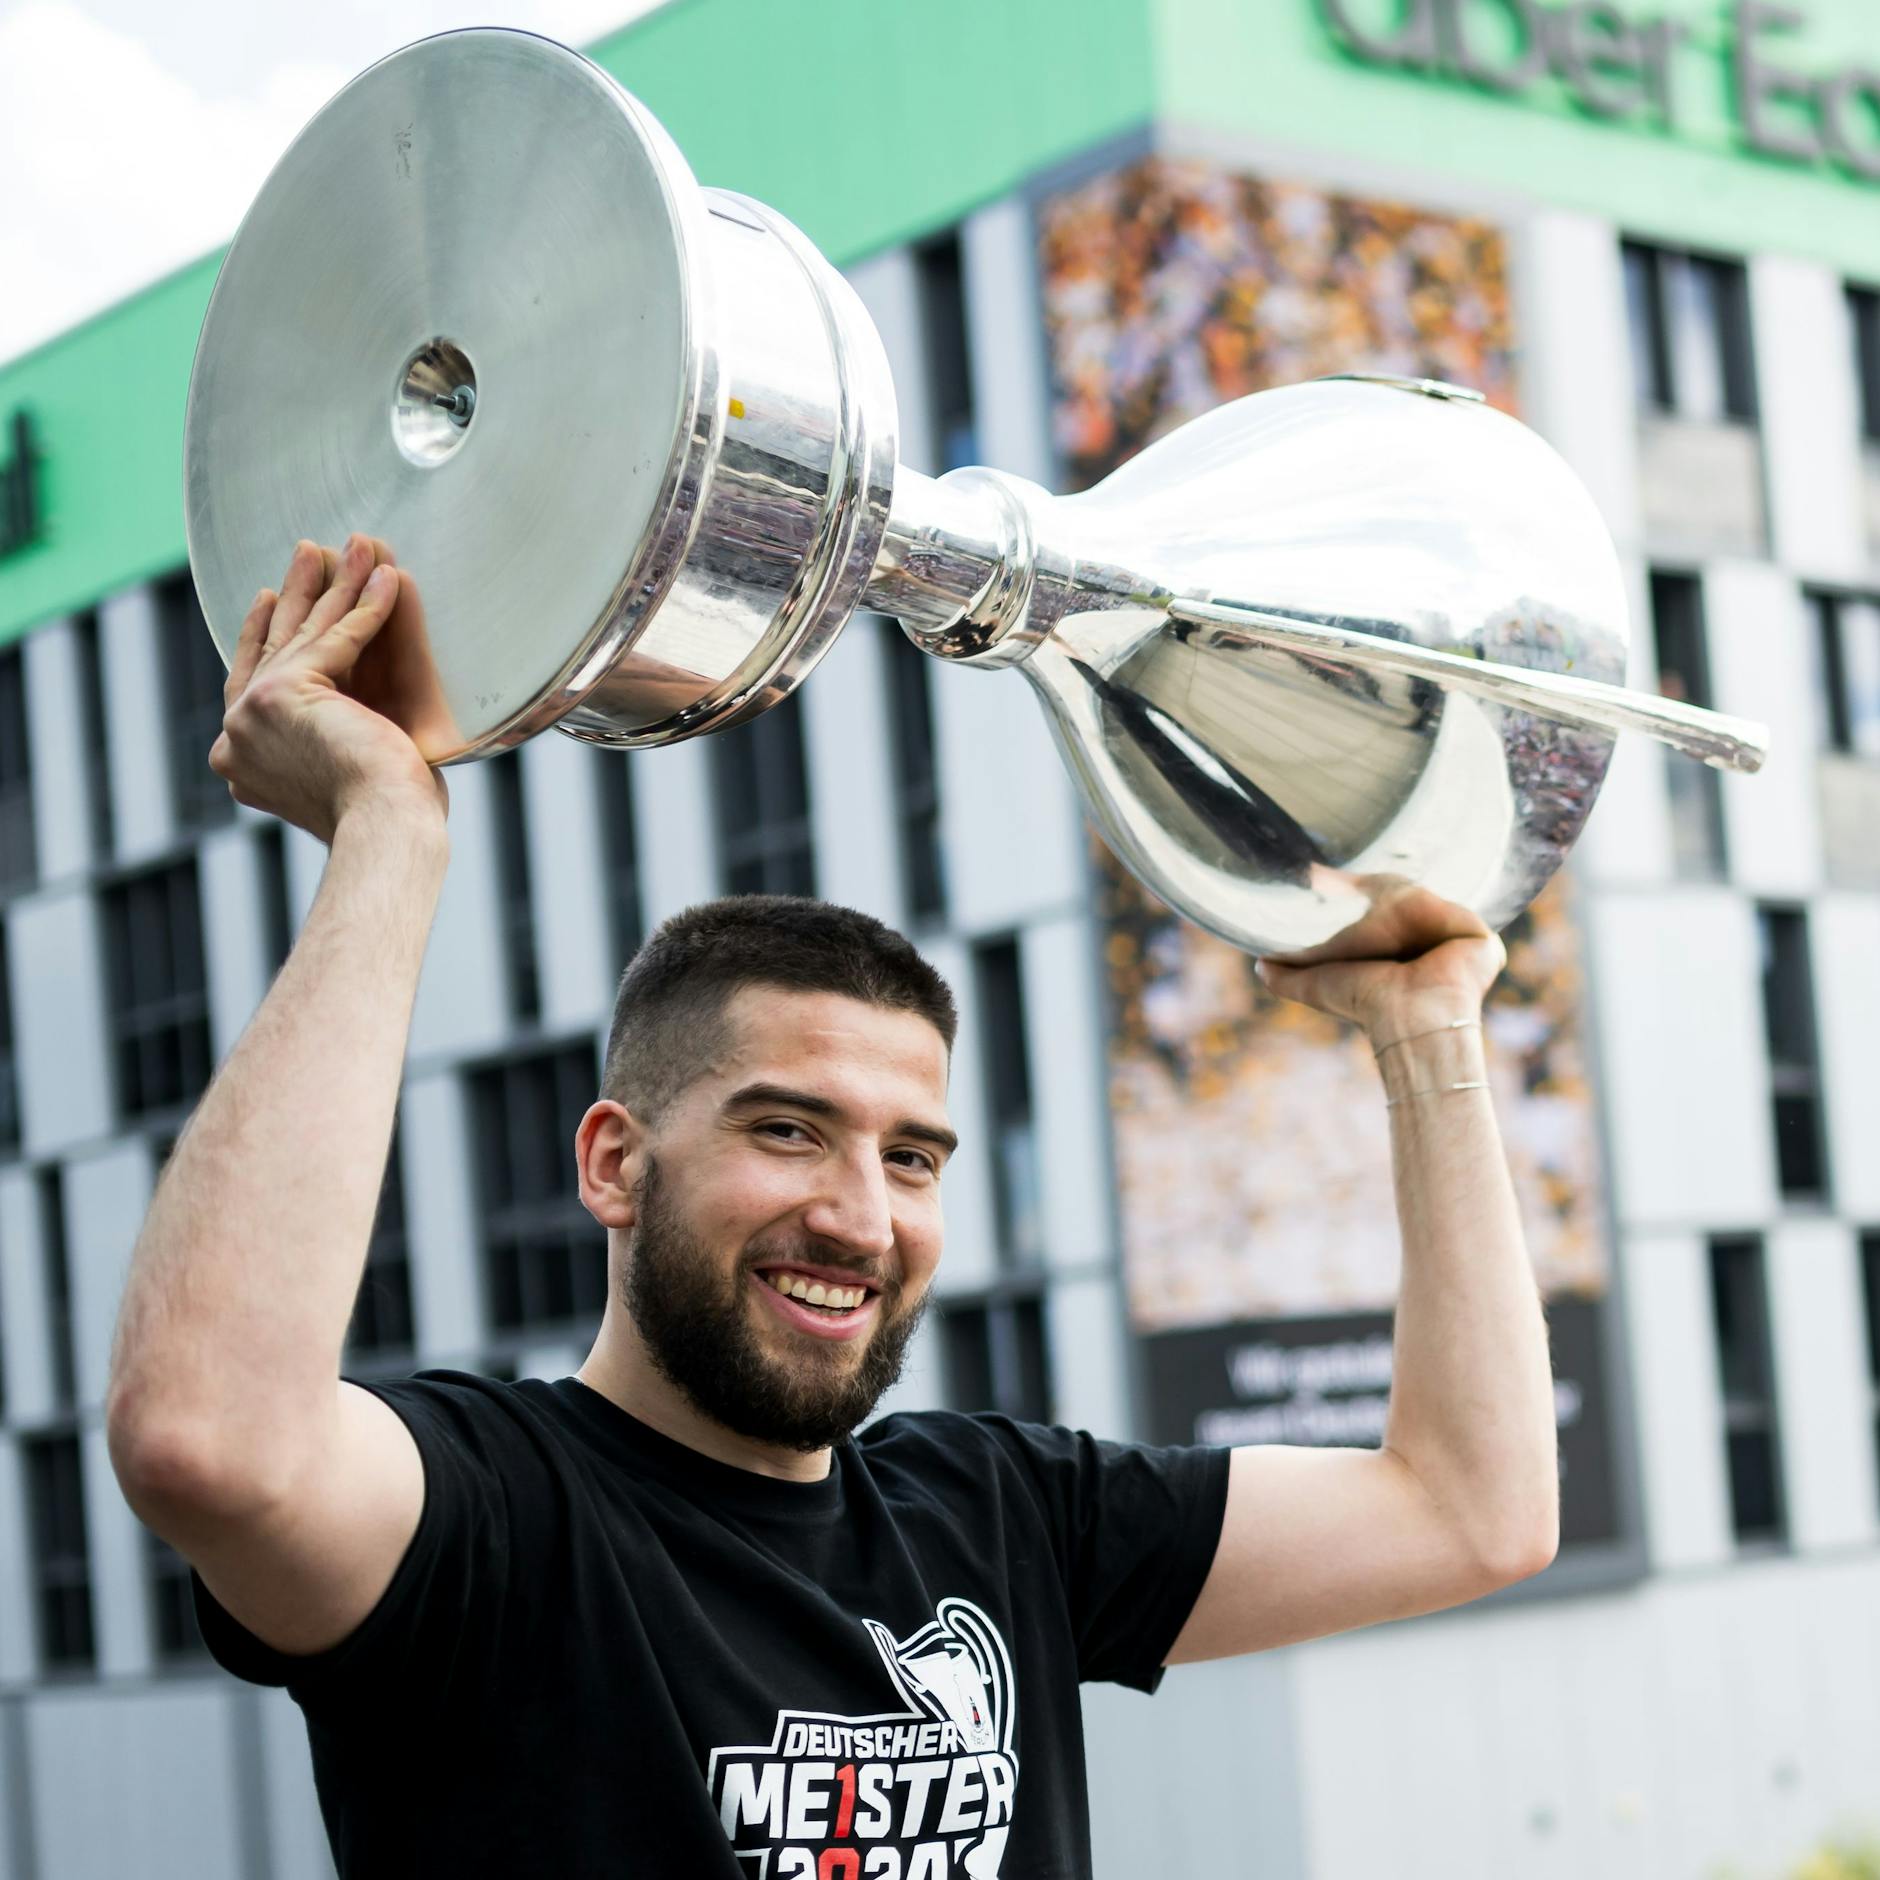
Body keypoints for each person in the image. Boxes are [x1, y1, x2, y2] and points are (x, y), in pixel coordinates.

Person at [105, 535, 1560, 1879]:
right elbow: (209, 1441)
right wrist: (388, 831)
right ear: (614, 1163)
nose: (862, 1218)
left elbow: (1468, 1512)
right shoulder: (492, 1517)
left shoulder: (1005, 1515)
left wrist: (1425, 1031)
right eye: (790, 1132)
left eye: (912, 1157)